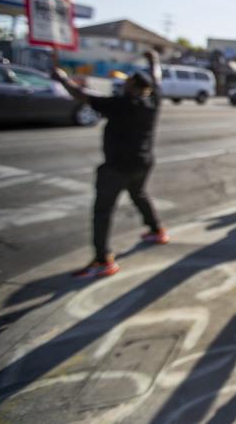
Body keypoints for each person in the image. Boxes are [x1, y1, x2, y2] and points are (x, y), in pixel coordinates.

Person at [50, 49, 168, 278]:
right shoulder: (153, 102)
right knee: (139, 194)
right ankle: (156, 229)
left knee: (102, 211)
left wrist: (62, 78)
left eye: (127, 83)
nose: (124, 86)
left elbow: (80, 94)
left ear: (132, 87)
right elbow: (157, 78)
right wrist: (153, 61)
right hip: (142, 163)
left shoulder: (120, 104)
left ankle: (103, 259)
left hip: (116, 167)